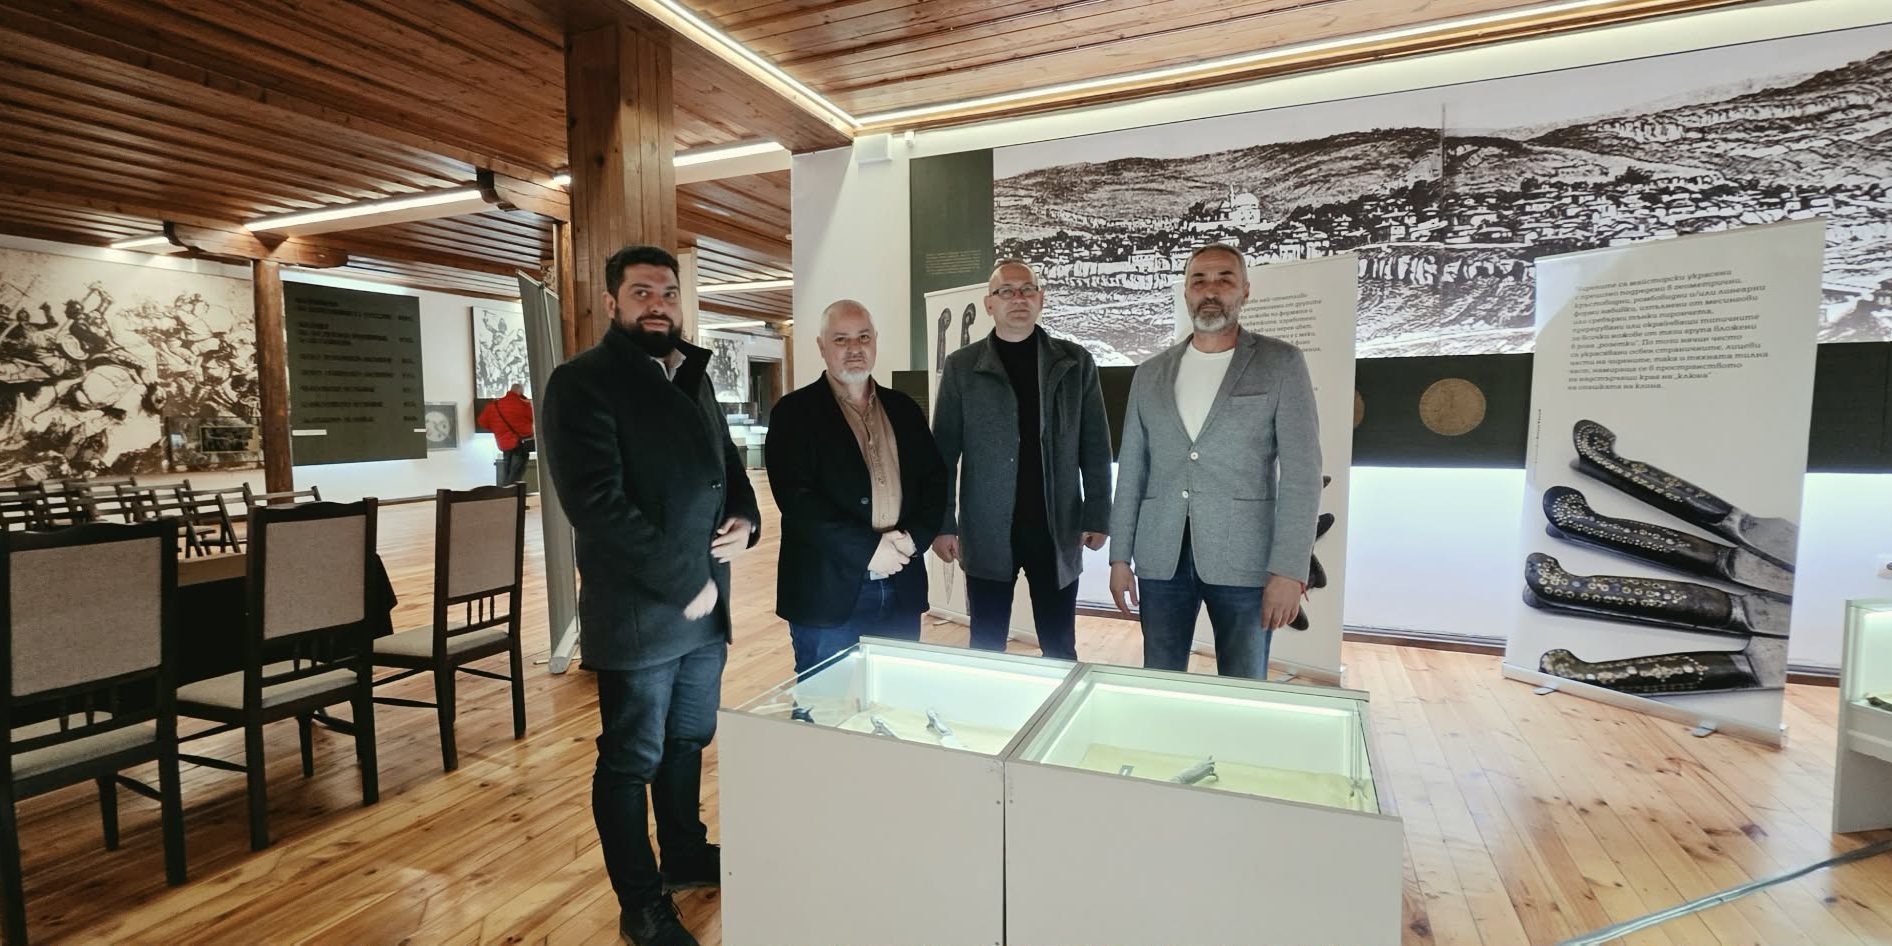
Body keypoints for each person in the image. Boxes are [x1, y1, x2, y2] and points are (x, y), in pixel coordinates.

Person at [539, 244, 760, 946]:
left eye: (667, 292)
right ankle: (640, 905)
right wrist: (683, 581)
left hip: (704, 605)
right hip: (642, 611)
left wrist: (746, 517)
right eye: (642, 292)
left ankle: (684, 854)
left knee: (689, 738)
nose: (658, 304)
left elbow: (727, 464)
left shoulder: (690, 371)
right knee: (631, 758)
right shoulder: (582, 383)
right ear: (613, 303)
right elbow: (597, 505)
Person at [1107, 242, 1321, 679]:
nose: (1210, 290)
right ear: (1185, 292)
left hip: (1246, 561)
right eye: (1198, 280)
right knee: (1159, 681)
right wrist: (1119, 557)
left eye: (1225, 279)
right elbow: (1132, 471)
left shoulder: (1280, 363)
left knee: (1243, 687)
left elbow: (1303, 475)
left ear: (1245, 291)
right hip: (1160, 558)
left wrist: (1289, 571)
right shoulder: (1150, 374)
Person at [932, 259, 1113, 661]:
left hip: (1057, 527)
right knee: (987, 644)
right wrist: (943, 524)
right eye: (1006, 291)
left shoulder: (1075, 362)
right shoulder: (963, 367)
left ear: (1040, 299)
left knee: (1060, 645)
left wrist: (1099, 514)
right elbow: (942, 453)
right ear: (989, 304)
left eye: (1027, 289)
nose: (1018, 298)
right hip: (987, 529)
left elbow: (1096, 446)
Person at [766, 300, 947, 675]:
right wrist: (868, 549)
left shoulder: (903, 408)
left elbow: (934, 480)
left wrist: (915, 538)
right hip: (827, 593)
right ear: (822, 345)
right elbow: (797, 501)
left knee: (896, 699)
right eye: (841, 339)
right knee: (827, 703)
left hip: (902, 583)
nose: (854, 348)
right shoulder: (794, 413)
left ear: (875, 340)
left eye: (863, 337)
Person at [478, 382, 535, 485]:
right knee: (516, 475)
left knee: (506, 473)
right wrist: (528, 403)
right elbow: (534, 418)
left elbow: (482, 421)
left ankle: (505, 492)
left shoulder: (494, 405)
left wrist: (497, 429)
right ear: (520, 392)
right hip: (520, 444)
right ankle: (513, 493)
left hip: (504, 445)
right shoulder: (523, 404)